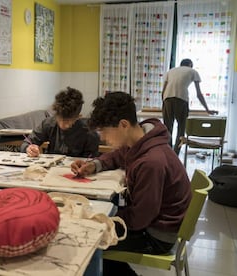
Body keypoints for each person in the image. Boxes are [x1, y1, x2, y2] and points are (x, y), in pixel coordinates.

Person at [71, 92, 191, 276]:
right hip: (153, 222)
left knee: (88, 241)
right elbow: (119, 155)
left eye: (104, 131)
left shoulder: (151, 162)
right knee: (94, 230)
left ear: (123, 125)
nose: (103, 138)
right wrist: (94, 165)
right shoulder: (142, 137)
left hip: (157, 235)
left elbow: (140, 218)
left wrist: (102, 215)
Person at [20, 87, 100, 158]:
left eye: (68, 121)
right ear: (56, 113)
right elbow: (27, 142)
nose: (62, 124)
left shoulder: (89, 132)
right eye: (60, 119)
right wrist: (28, 148)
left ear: (78, 117)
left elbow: (90, 160)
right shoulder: (49, 123)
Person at [162, 58, 217, 154]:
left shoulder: (171, 71)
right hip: (181, 99)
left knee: (167, 128)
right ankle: (175, 154)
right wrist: (207, 109)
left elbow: (163, 90)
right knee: (181, 128)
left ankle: (167, 154)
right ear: (190, 65)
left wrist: (164, 103)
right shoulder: (193, 71)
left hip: (167, 99)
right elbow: (199, 94)